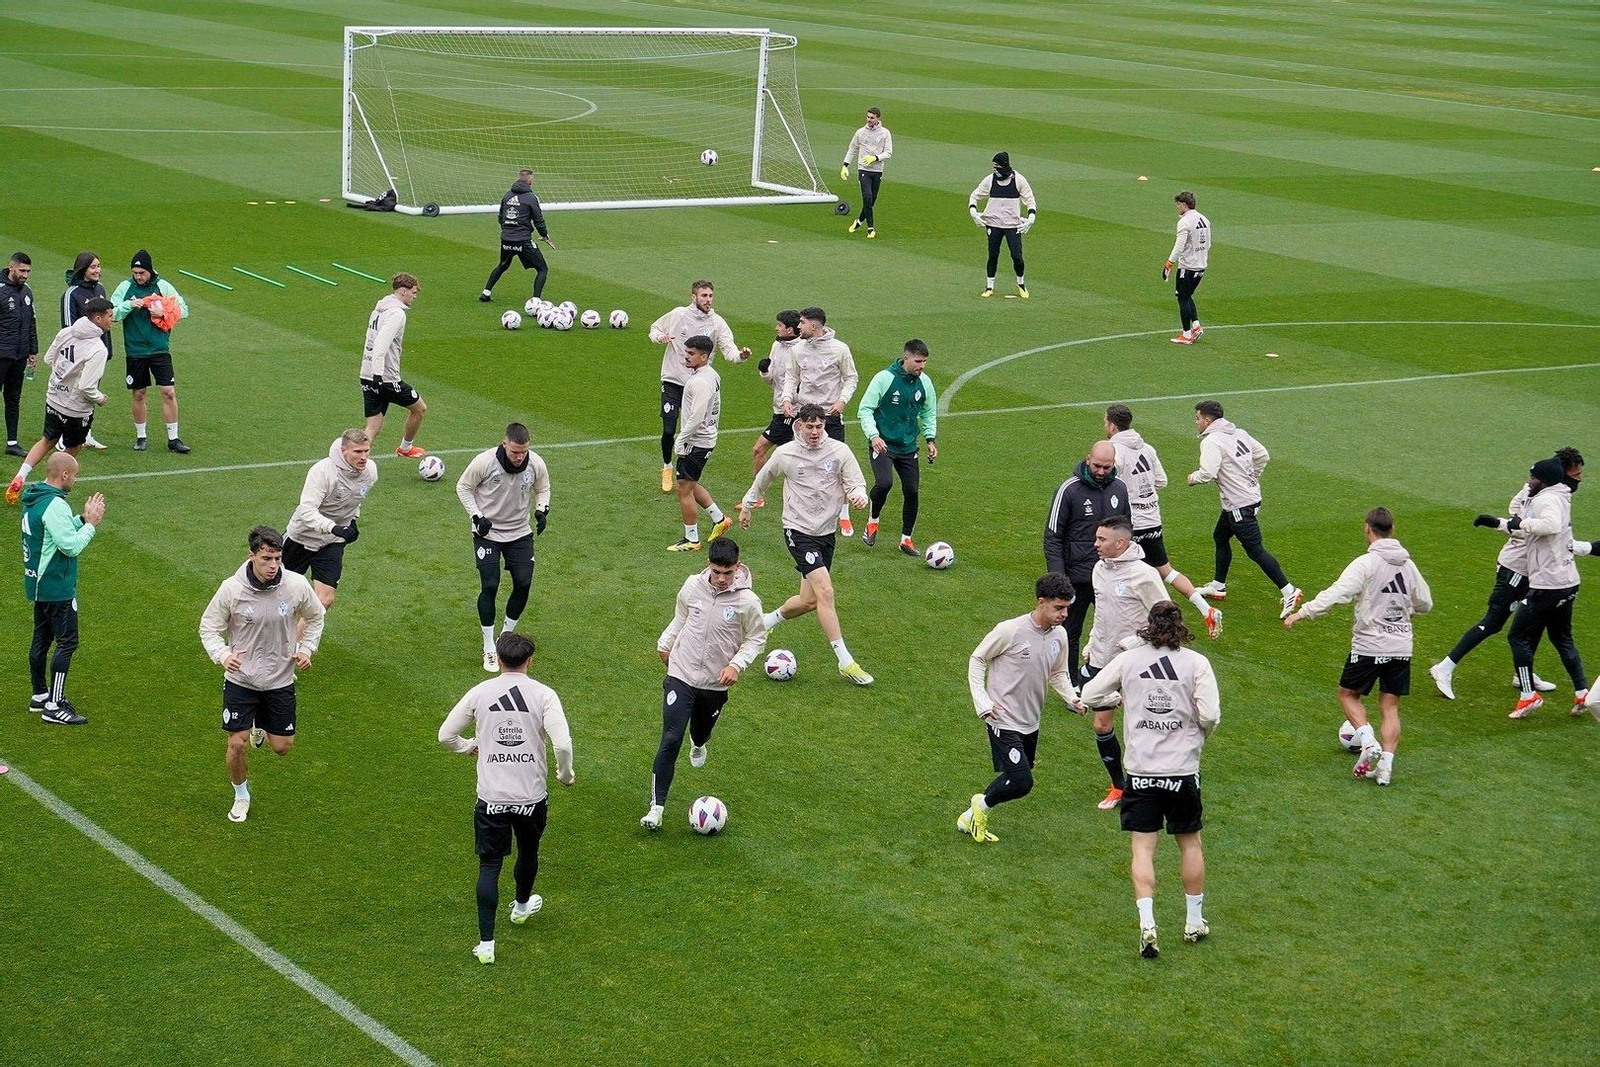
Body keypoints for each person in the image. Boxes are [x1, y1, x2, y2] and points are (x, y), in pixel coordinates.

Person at [1080, 602, 1220, 959]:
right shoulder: (1196, 663)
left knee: (1142, 849)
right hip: (1182, 771)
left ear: (1148, 626)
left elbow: (1091, 694)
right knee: (1190, 844)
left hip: (1141, 771)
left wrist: (1121, 697)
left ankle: (1147, 922)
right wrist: (1199, 736)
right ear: (1180, 626)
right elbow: (1210, 714)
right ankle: (1193, 921)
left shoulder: (1129, 660)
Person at [438, 631, 574, 965]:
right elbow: (562, 744)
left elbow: (445, 735)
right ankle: (522, 907)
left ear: (498, 659)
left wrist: (469, 746)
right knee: (528, 851)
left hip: (492, 798)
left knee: (489, 865)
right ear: (530, 661)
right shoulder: (544, 695)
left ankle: (486, 945)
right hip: (531, 796)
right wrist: (565, 774)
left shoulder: (480, 693)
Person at [1284, 507, 1433, 785]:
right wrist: (1406, 611)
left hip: (1369, 645)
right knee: (1390, 706)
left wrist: (1302, 613)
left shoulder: (1365, 564)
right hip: (1401, 647)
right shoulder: (1408, 565)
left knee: (1348, 695)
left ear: (1367, 528)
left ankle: (1367, 741)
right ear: (1392, 529)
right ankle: (1385, 767)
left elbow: (1336, 593)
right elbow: (1425, 603)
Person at [1428, 447, 1583, 700]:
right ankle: (1444, 667)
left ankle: (1523, 674)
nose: (1579, 480)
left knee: (1535, 622)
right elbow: (1520, 518)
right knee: (1494, 622)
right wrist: (1517, 524)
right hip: (1516, 568)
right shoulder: (1541, 494)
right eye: (1575, 475)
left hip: (1535, 571)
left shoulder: (1554, 494)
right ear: (1560, 474)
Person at [199, 525, 325, 824]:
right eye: (266, 558)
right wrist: (223, 655)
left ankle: (259, 723)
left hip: (280, 680)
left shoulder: (295, 586)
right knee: (237, 743)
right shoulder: (232, 589)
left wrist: (307, 649)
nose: (273, 565)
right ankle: (241, 795)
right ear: (251, 555)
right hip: (241, 679)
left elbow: (316, 616)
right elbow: (208, 627)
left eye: (277, 559)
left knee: (282, 747)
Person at [739, 404, 873, 685]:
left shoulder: (839, 451)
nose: (814, 432)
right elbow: (763, 479)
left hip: (826, 533)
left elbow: (855, 483)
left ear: (824, 426)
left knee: (809, 600)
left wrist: (859, 495)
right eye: (809, 426)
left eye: (819, 427)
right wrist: (748, 506)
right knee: (826, 591)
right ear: (799, 426)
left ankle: (767, 621)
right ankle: (846, 662)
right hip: (797, 530)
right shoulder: (786, 453)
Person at [640, 537, 766, 830]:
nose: (722, 579)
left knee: (699, 732)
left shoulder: (748, 602)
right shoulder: (691, 586)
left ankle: (699, 744)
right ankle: (656, 809)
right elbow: (680, 618)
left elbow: (756, 638)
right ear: (708, 564)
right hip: (681, 674)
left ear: (737, 567)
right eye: (716, 572)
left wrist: (736, 665)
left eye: (728, 572)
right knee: (671, 737)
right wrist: (665, 643)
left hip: (714, 684)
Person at [957, 572, 1081, 844]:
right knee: (1022, 781)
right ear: (1041, 602)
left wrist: (1072, 698)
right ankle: (980, 807)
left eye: (1067, 608)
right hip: (1002, 718)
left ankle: (969, 816)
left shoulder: (1059, 635)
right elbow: (978, 658)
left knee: (1017, 774)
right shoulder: (1010, 630)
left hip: (1031, 719)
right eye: (1058, 607)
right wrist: (982, 701)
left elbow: (1058, 673)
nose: (1064, 614)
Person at [1483, 455, 1590, 718]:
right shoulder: (1559, 495)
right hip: (1568, 580)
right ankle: (1582, 692)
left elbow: (1549, 526)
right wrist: (1500, 524)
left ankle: (1527, 695)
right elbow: (1530, 528)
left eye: (1533, 477)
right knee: (1562, 638)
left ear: (1544, 480)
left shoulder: (1546, 499)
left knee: (1517, 636)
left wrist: (1521, 522)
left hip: (1548, 584)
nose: (1529, 481)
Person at [1104, 403, 1221, 637]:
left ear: (1112, 426)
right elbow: (1162, 481)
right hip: (1152, 518)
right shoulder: (1147, 448)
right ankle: (1206, 609)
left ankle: (1151, 623)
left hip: (1130, 523)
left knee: (1121, 573)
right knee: (1165, 571)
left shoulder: (1113, 450)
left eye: (1105, 422)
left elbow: (1108, 481)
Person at [1082, 517, 1170, 812]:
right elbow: (1102, 613)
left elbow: (1167, 617)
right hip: (1104, 659)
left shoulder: (1143, 574)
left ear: (1120, 543)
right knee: (1101, 724)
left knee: (1142, 726)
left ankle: (1153, 783)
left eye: (1101, 539)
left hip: (1138, 662)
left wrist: (1135, 642)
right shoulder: (1099, 569)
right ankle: (1120, 786)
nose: (1095, 544)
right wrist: (1092, 644)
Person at [1186, 400, 1302, 618]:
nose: (1196, 422)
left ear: (1207, 420)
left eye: (1198, 418)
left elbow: (1208, 473)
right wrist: (1252, 479)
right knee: (1220, 536)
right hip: (1248, 499)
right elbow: (1262, 455)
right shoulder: (1239, 433)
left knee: (1254, 550)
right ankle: (1218, 586)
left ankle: (1289, 590)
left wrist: (1193, 478)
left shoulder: (1212, 441)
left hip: (1239, 505)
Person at [456, 422, 551, 673]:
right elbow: (463, 487)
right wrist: (477, 516)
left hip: (519, 533)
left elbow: (543, 488)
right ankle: (489, 645)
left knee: (523, 583)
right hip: (487, 533)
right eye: (515, 452)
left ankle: (505, 636)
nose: (520, 457)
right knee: (490, 584)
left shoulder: (535, 463)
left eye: (523, 452)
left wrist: (542, 510)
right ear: (504, 444)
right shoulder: (484, 462)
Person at [21, 452, 105, 725]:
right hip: (56, 585)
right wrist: (90, 526)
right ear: (65, 474)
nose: (75, 481)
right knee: (67, 642)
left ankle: (40, 695)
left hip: (39, 583)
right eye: (75, 475)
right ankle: (54, 705)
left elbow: (54, 531)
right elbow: (70, 546)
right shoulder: (55, 504)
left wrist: (81, 518)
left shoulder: (36, 498)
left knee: (42, 638)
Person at [7, 299, 113, 504]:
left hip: (54, 398)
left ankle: (21, 475)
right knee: (72, 449)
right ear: (98, 319)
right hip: (76, 409)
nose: (112, 320)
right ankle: (48, 488)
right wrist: (100, 398)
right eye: (110, 316)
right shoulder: (98, 349)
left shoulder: (66, 332)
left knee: (47, 439)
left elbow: (49, 359)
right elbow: (86, 386)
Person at [1043, 440, 1131, 687]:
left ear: (1114, 464)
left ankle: (1106, 683)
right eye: (1097, 466)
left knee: (1115, 631)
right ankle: (1071, 685)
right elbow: (1052, 537)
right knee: (1069, 633)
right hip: (1077, 579)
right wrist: (1060, 581)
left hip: (1111, 576)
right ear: (1087, 459)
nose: (1101, 471)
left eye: (1107, 467)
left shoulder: (1120, 488)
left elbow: (1126, 532)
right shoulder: (1069, 490)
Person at [650, 280, 750, 494]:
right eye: (704, 296)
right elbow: (655, 328)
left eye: (710, 296)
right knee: (669, 429)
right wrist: (660, 337)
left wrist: (740, 356)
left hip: (697, 385)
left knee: (693, 428)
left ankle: (685, 475)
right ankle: (667, 467)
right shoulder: (678, 314)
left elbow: (729, 350)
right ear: (693, 297)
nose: (708, 300)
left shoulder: (717, 322)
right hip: (673, 380)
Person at [780, 307, 859, 535]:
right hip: (804, 415)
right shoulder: (797, 349)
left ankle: (843, 513)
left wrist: (842, 400)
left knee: (836, 465)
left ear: (814, 326)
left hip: (830, 415)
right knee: (803, 461)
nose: (798, 327)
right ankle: (805, 507)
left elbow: (851, 378)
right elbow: (791, 376)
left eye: (802, 323)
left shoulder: (839, 349)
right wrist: (787, 398)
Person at [282, 430, 376, 620]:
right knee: (279, 595)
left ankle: (296, 639)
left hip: (331, 541)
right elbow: (306, 511)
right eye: (358, 452)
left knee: (325, 600)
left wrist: (353, 520)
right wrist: (333, 527)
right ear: (343, 450)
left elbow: (355, 499)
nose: (364, 457)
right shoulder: (323, 472)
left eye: (366, 451)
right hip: (301, 538)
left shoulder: (370, 472)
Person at [857, 340, 936, 553]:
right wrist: (874, 436)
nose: (922, 366)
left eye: (925, 361)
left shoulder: (925, 382)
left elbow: (928, 412)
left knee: (911, 490)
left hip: (908, 446)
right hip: (883, 444)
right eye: (918, 361)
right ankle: (872, 522)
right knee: (884, 483)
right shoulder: (884, 378)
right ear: (906, 358)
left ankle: (906, 540)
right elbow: (865, 409)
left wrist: (930, 439)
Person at [110, 249, 189, 453]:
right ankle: (141, 437)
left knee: (168, 392)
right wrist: (129, 305)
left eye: (142, 273)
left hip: (159, 349)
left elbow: (184, 310)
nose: (138, 277)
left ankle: (173, 439)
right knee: (139, 394)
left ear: (150, 270)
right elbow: (111, 313)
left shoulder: (163, 286)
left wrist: (163, 312)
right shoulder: (125, 287)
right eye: (135, 273)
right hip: (135, 351)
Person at [667, 335, 733, 552]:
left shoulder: (700, 382)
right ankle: (719, 519)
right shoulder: (710, 374)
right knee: (689, 483)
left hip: (697, 441)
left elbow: (696, 417)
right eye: (687, 352)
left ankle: (692, 539)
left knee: (683, 489)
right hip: (703, 439)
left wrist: (681, 440)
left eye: (691, 353)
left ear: (704, 357)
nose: (686, 356)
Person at [361, 272, 428, 459]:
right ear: (403, 291)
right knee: (419, 408)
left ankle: (354, 460)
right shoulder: (397, 314)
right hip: (385, 378)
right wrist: (378, 375)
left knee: (372, 427)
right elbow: (381, 344)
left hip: (366, 374)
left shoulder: (379, 309)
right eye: (414, 292)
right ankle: (406, 448)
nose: (415, 296)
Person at [748, 309, 803, 502]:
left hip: (792, 412)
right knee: (792, 458)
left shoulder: (802, 350)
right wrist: (764, 371)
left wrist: (793, 401)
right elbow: (771, 380)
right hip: (779, 409)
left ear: (790, 329)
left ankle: (756, 496)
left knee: (759, 449)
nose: (775, 328)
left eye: (779, 325)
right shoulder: (777, 345)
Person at [478, 169, 556, 304]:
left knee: (503, 265)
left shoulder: (507, 195)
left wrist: (508, 231)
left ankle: (486, 292)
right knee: (542, 268)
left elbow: (501, 217)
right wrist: (544, 235)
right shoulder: (531, 198)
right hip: (523, 240)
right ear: (530, 180)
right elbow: (538, 220)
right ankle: (536, 301)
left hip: (506, 239)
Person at [968, 152, 1036, 299]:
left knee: (1017, 256)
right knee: (993, 255)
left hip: (1013, 225)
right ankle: (989, 287)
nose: (995, 169)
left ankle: (1021, 284)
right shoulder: (990, 180)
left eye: (997, 166)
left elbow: (1029, 199)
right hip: (993, 224)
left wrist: (1031, 216)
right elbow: (975, 195)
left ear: (1004, 165)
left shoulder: (1018, 180)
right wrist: (973, 211)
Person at [61, 252, 109, 451]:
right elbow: (68, 327)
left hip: (97, 352)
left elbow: (106, 319)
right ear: (83, 269)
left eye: (99, 266)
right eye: (93, 267)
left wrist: (106, 348)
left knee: (89, 393)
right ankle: (64, 436)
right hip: (79, 355)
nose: (97, 270)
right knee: (73, 395)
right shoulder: (71, 293)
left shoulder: (100, 289)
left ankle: (86, 434)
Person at [1, 252, 39, 457]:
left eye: (28, 271)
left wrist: (33, 350)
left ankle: (12, 443)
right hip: (1, 354)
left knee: (13, 398)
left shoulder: (27, 291)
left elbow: (31, 322)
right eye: (22, 270)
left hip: (19, 356)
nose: (25, 275)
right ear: (11, 267)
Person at [1164, 191, 1211, 345]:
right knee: (1186, 295)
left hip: (1188, 266)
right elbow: (1208, 244)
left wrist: (1169, 263)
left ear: (1184, 204)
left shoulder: (1184, 222)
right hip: (1201, 265)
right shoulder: (1204, 219)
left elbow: (1179, 245)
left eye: (1178, 204)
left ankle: (1186, 334)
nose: (1177, 207)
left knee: (1183, 298)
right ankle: (1196, 326)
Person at [842, 106, 893, 238]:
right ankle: (870, 228)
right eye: (868, 117)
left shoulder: (885, 133)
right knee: (867, 197)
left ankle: (859, 221)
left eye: (872, 118)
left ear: (877, 118)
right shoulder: (860, 132)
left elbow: (888, 152)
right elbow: (852, 149)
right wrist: (845, 165)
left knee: (871, 201)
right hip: (863, 169)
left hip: (877, 170)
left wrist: (876, 158)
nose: (869, 120)